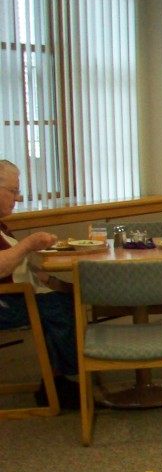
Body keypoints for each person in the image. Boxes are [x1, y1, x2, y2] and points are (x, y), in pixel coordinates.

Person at [0, 160, 79, 409]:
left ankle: (57, 379)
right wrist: (29, 244)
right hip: (5, 302)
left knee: (67, 296)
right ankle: (62, 381)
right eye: (12, 191)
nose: (17, 197)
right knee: (60, 307)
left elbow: (18, 265)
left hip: (16, 294)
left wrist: (51, 279)